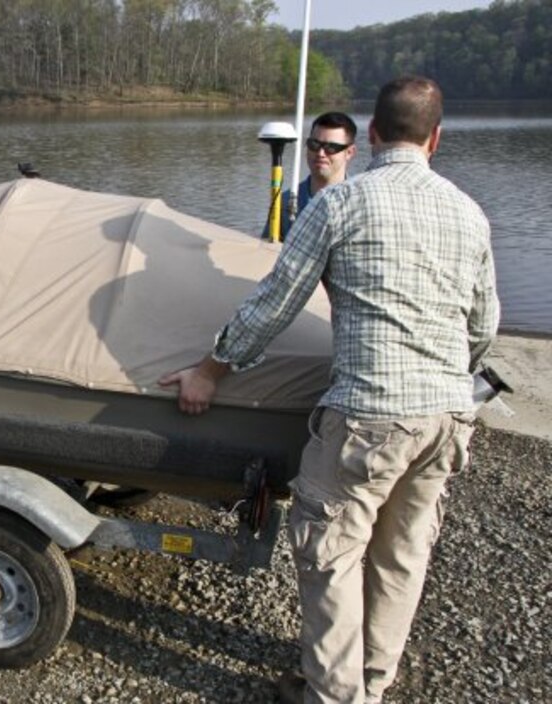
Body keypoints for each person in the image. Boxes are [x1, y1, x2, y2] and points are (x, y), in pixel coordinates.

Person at [160, 76, 499, 703]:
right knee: (402, 552)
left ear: (370, 135)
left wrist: (211, 371)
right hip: (450, 414)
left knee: (331, 551)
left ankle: (335, 696)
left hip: (371, 416)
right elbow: (484, 327)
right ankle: (373, 676)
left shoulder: (341, 204)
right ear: (436, 139)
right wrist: (447, 380)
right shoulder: (469, 213)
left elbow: (273, 303)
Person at [263, 111, 357, 241]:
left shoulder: (359, 203)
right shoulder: (284, 203)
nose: (320, 153)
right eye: (314, 144)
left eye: (331, 147)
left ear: (350, 152)